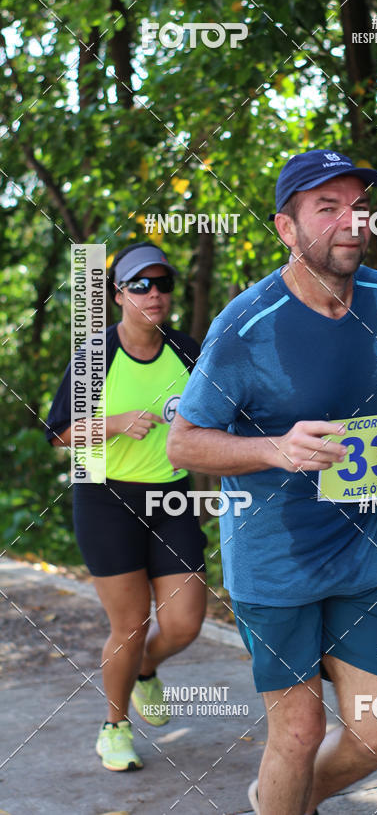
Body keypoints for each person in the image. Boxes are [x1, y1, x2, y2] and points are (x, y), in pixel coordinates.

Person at [167, 149, 377, 815]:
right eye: (328, 208)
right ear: (287, 230)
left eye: (360, 208)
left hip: (360, 553)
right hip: (273, 560)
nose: (352, 222)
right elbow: (184, 441)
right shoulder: (244, 326)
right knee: (300, 729)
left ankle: (279, 803)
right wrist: (277, 449)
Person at [46, 242, 207, 772]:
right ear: (118, 295)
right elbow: (60, 435)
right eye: (140, 285)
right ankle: (114, 726)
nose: (153, 294)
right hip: (106, 497)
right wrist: (115, 423)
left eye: (162, 285)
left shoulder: (187, 350)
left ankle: (145, 671)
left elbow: (216, 414)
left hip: (172, 496)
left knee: (184, 622)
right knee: (132, 623)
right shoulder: (96, 354)